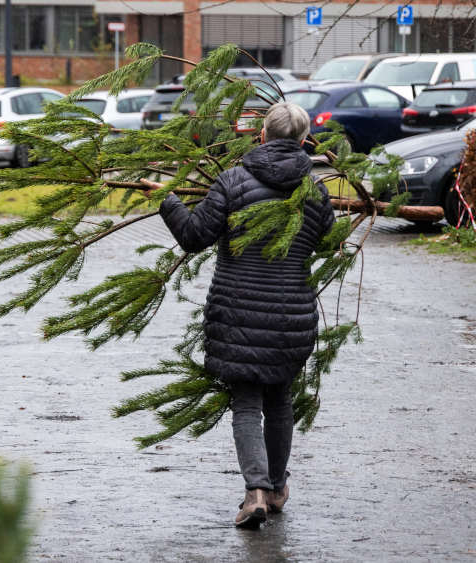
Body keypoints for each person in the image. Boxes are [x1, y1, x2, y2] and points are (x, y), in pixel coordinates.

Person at [143, 102, 334, 530]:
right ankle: (278, 488)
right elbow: (324, 238)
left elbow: (194, 237)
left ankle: (255, 493)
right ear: (303, 141)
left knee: (246, 403)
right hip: (292, 313)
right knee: (280, 399)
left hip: (238, 311)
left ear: (261, 136)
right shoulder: (315, 190)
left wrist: (166, 199)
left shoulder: (232, 181)